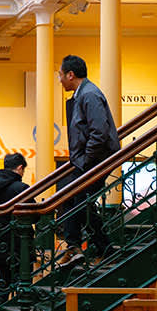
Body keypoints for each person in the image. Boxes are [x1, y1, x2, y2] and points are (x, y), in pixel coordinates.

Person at [57, 55, 120, 264]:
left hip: (94, 161)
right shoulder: (83, 94)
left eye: (60, 75)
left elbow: (99, 132)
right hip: (90, 160)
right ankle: (98, 247)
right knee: (75, 199)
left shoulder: (89, 95)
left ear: (70, 74)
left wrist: (85, 160)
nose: (60, 80)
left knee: (76, 199)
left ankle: (77, 247)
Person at [0, 152, 30, 306]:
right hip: (20, 242)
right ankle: (21, 310)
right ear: (20, 168)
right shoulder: (22, 188)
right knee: (23, 280)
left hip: (0, 241)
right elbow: (34, 215)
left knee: (3, 279)